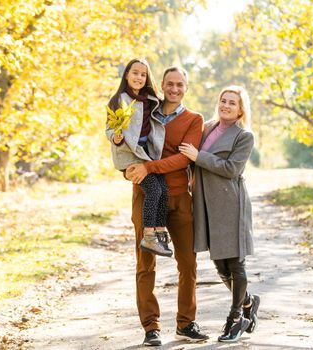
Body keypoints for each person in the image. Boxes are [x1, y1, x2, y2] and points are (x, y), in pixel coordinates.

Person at [126, 66, 208, 346]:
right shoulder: (144, 111)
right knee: (145, 264)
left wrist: (148, 167)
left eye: (180, 85)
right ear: (161, 85)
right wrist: (130, 169)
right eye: (170, 84)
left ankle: (186, 324)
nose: (174, 89)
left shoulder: (194, 120)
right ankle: (151, 327)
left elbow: (183, 160)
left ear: (187, 87)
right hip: (146, 196)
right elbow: (126, 147)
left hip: (179, 198)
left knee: (188, 263)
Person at [179, 85, 260, 343]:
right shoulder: (207, 127)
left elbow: (231, 169)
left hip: (230, 203)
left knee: (235, 262)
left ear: (240, 109)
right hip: (205, 202)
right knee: (219, 263)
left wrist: (198, 156)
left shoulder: (244, 136)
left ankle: (236, 318)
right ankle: (248, 301)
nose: (226, 105)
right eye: (223, 100)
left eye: (232, 103)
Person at [106, 58, 172, 257]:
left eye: (143, 74)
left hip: (145, 153)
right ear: (127, 74)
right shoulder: (119, 99)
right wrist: (115, 137)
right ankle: (149, 236)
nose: (139, 77)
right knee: (153, 190)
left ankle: (160, 230)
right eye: (135, 73)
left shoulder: (150, 99)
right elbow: (109, 128)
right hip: (128, 154)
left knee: (164, 190)